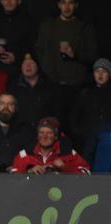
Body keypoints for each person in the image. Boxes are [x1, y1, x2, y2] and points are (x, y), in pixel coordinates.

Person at [35, 0, 98, 131]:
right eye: (63, 3)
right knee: (54, 125)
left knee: (77, 126)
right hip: (53, 84)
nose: (67, 7)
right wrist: (47, 71)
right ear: (58, 5)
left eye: (70, 3)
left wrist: (75, 55)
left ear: (76, 5)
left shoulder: (83, 26)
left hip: (77, 86)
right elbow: (39, 50)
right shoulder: (49, 25)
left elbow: (93, 55)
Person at [10, 117, 91, 174]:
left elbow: (86, 173)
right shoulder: (24, 155)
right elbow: (12, 176)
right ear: (37, 136)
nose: (45, 136)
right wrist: (29, 171)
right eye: (41, 133)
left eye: (49, 133)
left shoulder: (68, 153)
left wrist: (64, 167)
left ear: (56, 136)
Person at [69, 58, 111, 169]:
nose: (100, 74)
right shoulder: (85, 93)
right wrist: (79, 133)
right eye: (97, 71)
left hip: (107, 141)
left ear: (109, 74)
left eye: (104, 71)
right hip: (87, 140)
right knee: (86, 169)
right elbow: (74, 117)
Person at [0, 93, 35, 172]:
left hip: (19, 175)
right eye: (2, 103)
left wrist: (18, 165)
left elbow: (30, 153)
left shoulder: (26, 129)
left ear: (15, 108)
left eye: (10, 104)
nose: (6, 107)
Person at [8, 53, 63, 128]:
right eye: (25, 64)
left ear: (38, 66)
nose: (28, 66)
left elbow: (58, 113)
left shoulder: (50, 87)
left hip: (44, 132)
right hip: (20, 131)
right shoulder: (13, 87)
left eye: (31, 63)